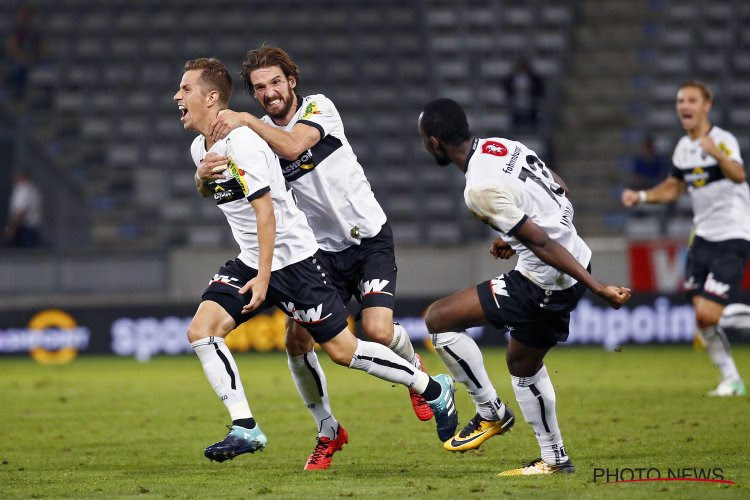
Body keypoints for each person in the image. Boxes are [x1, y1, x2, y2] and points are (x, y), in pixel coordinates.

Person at [175, 57, 457, 468]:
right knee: (209, 331)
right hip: (291, 253)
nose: (268, 92)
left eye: (185, 89)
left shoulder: (300, 117)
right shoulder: (203, 146)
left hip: (333, 247)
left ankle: (430, 386)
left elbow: (268, 204)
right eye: (259, 87)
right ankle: (265, 426)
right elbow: (218, 190)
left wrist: (264, 278)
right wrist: (202, 177)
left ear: (291, 82)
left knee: (353, 344)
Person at [418, 98, 632, 476]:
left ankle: (491, 413)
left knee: (439, 321)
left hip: (546, 280)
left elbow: (544, 244)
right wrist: (513, 237)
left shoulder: (478, 189)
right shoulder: (503, 147)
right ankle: (555, 460)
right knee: (522, 364)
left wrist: (598, 288)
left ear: (434, 142)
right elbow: (559, 191)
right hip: (574, 258)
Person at [622, 80, 750, 397]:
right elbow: (674, 188)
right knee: (702, 319)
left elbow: (738, 174)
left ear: (706, 106)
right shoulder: (683, 147)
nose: (684, 106)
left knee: (710, 314)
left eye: (691, 100)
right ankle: (731, 379)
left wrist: (717, 155)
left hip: (732, 233)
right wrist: (640, 196)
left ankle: (740, 319)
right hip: (702, 237)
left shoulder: (722, 139)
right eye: (680, 101)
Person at [4, 4, 42, 101]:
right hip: (17, 60)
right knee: (20, 67)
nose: (24, 17)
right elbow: (11, 47)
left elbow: (41, 47)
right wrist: (23, 57)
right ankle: (18, 95)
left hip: (33, 59)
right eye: (22, 14)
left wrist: (34, 56)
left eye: (27, 14)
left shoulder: (35, 31)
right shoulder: (14, 30)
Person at [502, 59, 544, 131]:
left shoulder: (534, 77)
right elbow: (507, 88)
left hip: (530, 100)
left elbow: (538, 88)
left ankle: (533, 128)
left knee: (532, 114)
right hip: (516, 100)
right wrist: (515, 90)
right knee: (515, 115)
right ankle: (515, 128)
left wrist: (529, 90)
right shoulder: (512, 77)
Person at [4, 170, 42, 247]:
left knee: (18, 255)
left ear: (22, 177)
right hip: (32, 228)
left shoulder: (23, 189)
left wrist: (11, 228)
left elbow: (21, 211)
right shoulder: (33, 189)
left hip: (22, 229)